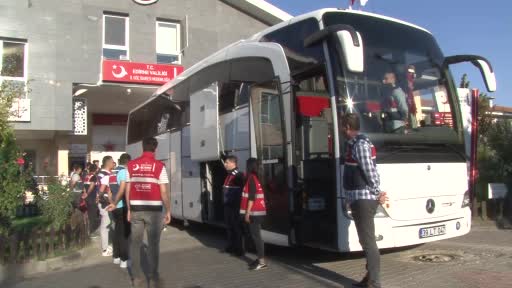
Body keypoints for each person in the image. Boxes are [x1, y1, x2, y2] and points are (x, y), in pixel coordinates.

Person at [341, 113, 387, 288]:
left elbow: (370, 172)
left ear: (346, 126)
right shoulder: (356, 144)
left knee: (368, 242)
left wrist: (377, 192)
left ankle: (374, 282)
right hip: (359, 198)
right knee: (365, 241)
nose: (341, 130)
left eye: (342, 126)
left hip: (364, 199)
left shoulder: (360, 145)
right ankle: (370, 279)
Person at [125, 137, 171, 288]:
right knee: (153, 245)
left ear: (142, 148)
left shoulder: (130, 165)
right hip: (154, 211)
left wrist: (129, 209)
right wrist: (168, 210)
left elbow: (128, 189)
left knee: (135, 244)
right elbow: (163, 192)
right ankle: (153, 277)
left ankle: (136, 278)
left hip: (136, 210)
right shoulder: (159, 166)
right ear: (155, 149)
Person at [240, 158, 267, 271]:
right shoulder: (257, 177)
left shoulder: (251, 178)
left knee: (257, 237)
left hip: (254, 213)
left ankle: (262, 262)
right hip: (258, 212)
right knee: (257, 236)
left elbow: (252, 197)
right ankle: (260, 259)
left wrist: (247, 213)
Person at [108, 153, 131, 269]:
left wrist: (112, 202)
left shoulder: (112, 173)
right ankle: (124, 259)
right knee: (124, 234)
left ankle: (116, 257)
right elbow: (123, 189)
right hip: (121, 206)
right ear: (128, 162)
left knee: (117, 232)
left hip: (114, 207)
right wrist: (116, 203)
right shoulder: (124, 172)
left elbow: (109, 191)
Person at [222, 155, 245, 256]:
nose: (225, 164)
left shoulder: (238, 175)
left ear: (233, 163)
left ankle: (239, 249)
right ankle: (231, 246)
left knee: (236, 227)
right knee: (229, 226)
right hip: (228, 205)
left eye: (227, 162)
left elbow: (242, 191)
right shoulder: (229, 175)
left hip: (235, 206)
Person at [97, 156, 115, 257]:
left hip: (102, 202)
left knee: (107, 224)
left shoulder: (100, 173)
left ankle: (107, 246)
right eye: (112, 162)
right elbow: (104, 189)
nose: (114, 164)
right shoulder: (106, 175)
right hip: (106, 202)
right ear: (108, 163)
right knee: (105, 226)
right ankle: (105, 249)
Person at [83, 164, 99, 235]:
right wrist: (87, 193)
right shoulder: (94, 177)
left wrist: (84, 193)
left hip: (86, 198)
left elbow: (84, 186)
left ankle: (86, 230)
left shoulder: (87, 176)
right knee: (92, 215)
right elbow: (92, 186)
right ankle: (91, 231)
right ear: (95, 169)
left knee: (88, 214)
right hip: (91, 197)